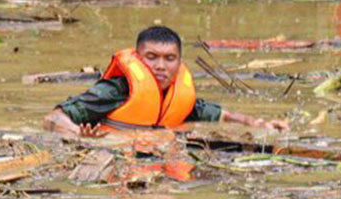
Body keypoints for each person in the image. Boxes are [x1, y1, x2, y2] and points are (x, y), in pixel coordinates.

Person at [43, 26, 289, 136]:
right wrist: (78, 135)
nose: (161, 66)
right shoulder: (116, 90)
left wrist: (261, 124)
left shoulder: (179, 98)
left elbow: (223, 116)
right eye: (152, 58)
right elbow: (52, 118)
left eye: (169, 58)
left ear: (179, 61)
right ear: (139, 58)